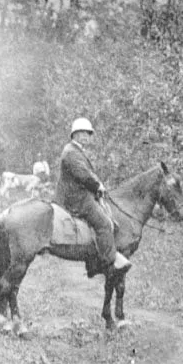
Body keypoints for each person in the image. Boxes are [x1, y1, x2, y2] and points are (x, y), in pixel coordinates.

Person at [53, 117, 132, 275]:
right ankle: (110, 262)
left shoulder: (76, 151)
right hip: (75, 197)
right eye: (81, 133)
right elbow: (83, 174)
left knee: (107, 216)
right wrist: (97, 186)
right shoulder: (71, 152)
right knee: (103, 223)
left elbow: (87, 173)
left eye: (88, 134)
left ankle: (94, 262)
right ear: (74, 134)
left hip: (80, 194)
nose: (85, 136)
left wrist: (97, 185)